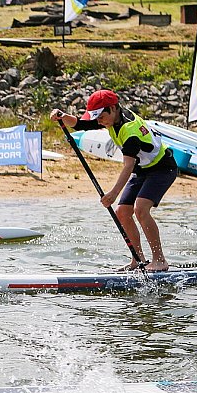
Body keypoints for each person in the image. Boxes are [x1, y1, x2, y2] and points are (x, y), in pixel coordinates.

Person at [50, 88, 178, 272]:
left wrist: (112, 194)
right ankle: (138, 259)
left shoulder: (130, 131)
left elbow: (127, 166)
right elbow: (80, 124)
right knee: (122, 212)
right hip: (142, 169)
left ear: (112, 108)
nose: (98, 121)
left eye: (100, 116)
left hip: (163, 168)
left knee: (140, 210)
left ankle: (159, 260)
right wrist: (62, 116)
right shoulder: (110, 117)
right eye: (97, 117)